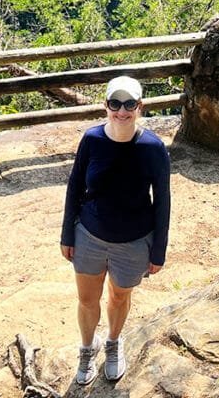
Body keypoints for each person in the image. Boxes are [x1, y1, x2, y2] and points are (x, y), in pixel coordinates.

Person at [60, 75, 171, 384]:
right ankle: (87, 348)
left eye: (129, 104)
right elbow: (74, 187)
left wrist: (158, 250)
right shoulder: (92, 140)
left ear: (140, 107)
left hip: (134, 241)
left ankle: (113, 341)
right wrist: (67, 234)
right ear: (105, 105)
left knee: (119, 297)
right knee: (86, 299)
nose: (122, 111)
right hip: (89, 236)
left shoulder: (153, 148)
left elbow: (162, 201)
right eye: (115, 104)